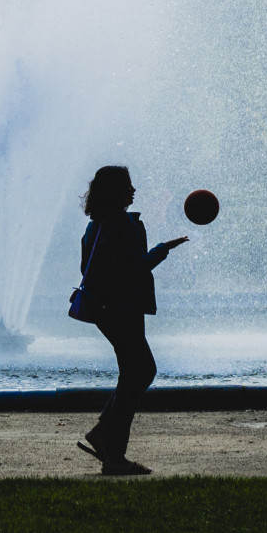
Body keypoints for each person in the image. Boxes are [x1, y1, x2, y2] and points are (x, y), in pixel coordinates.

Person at [72, 166, 187, 476]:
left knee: (134, 373)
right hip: (123, 307)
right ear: (116, 191)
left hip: (105, 309)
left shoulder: (95, 226)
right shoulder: (123, 224)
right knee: (141, 371)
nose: (133, 190)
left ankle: (105, 437)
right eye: (127, 186)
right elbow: (136, 268)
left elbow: (87, 268)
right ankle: (113, 452)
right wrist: (164, 250)